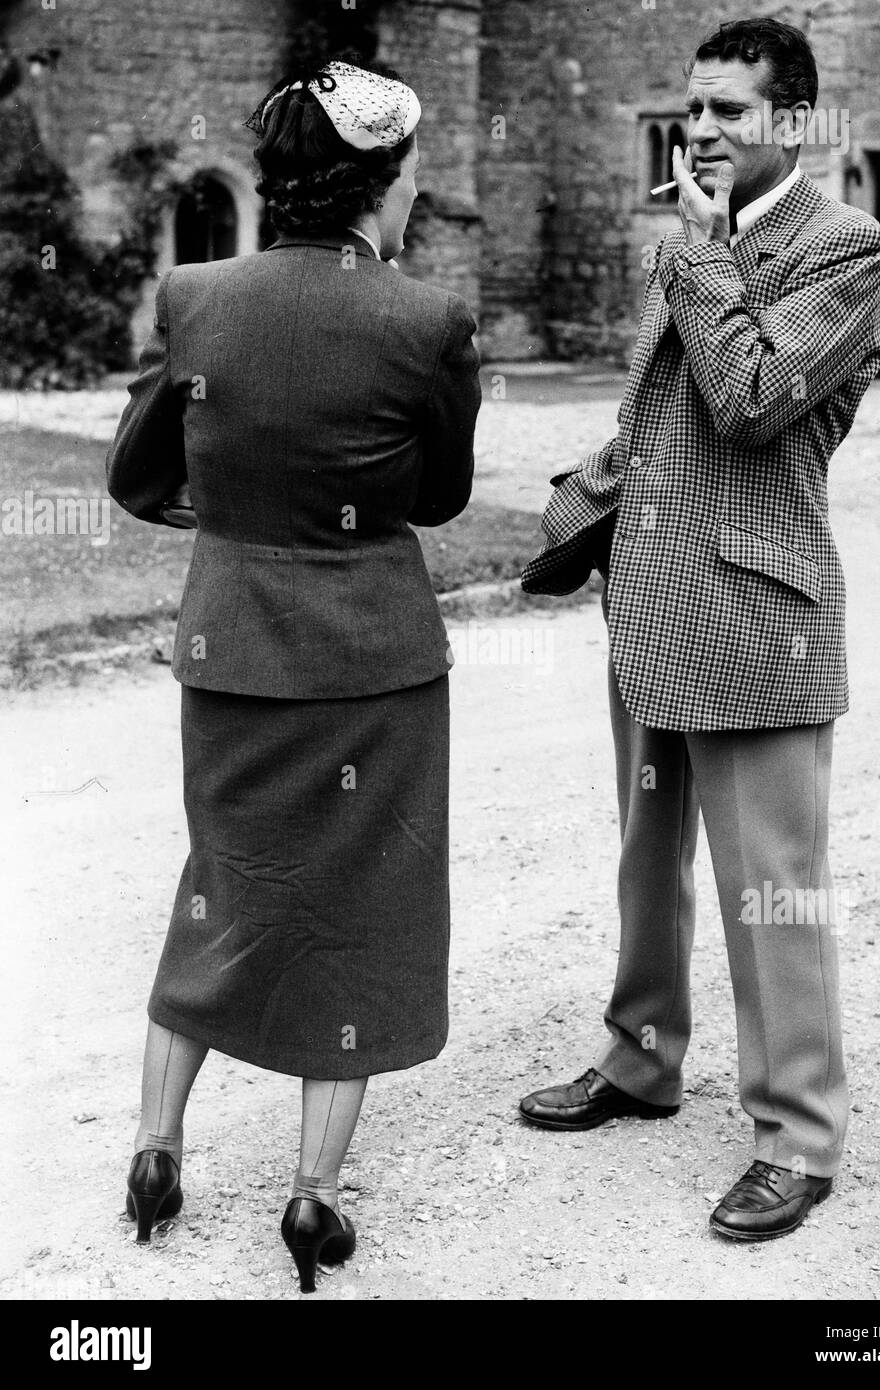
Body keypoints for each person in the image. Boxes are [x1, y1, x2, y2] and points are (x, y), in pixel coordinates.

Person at [106, 56, 481, 1292]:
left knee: (220, 883)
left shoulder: (197, 295)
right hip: (370, 659)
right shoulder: (427, 321)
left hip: (232, 652)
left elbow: (136, 476)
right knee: (360, 911)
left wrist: (229, 523)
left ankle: (157, 1151)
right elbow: (437, 495)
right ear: (384, 180)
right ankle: (314, 1198)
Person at [519, 17, 880, 1241]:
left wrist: (698, 249)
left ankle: (797, 1133)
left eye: (732, 111)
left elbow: (748, 401)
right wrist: (577, 505)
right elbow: (658, 415)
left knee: (770, 888)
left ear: (793, 121)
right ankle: (639, 1060)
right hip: (650, 599)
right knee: (644, 866)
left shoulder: (846, 246)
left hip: (761, 616)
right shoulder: (701, 242)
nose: (706, 131)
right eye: (696, 109)